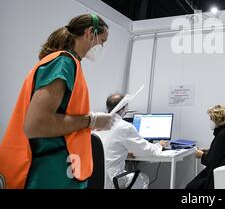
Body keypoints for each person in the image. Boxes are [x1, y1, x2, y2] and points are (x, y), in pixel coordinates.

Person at [0, 14, 114, 189]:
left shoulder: (70, 63)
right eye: (102, 40)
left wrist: (88, 122)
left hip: (61, 168)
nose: (101, 46)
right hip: (51, 172)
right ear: (90, 32)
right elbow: (36, 124)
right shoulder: (63, 62)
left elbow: (61, 115)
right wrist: (91, 120)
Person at [97, 94, 169, 189]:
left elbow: (106, 149)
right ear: (124, 107)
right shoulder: (124, 126)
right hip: (111, 180)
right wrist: (159, 145)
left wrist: (125, 153)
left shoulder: (98, 125)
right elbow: (146, 150)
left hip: (95, 178)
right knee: (143, 178)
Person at [186, 105, 225, 189]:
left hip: (221, 175)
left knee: (191, 187)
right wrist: (210, 151)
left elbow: (212, 161)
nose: (210, 121)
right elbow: (220, 153)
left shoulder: (223, 135)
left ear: (218, 119)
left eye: (211, 118)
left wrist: (201, 155)